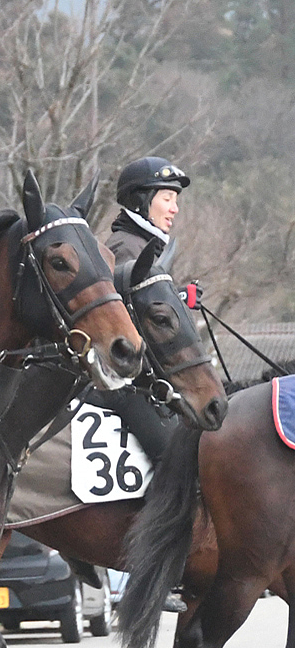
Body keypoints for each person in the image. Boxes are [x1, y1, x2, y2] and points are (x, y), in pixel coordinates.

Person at [102, 156, 192, 613]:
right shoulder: (125, 249)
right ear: (142, 200)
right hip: (118, 384)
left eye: (175, 199)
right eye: (167, 198)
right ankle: (154, 570)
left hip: (143, 381)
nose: (174, 208)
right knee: (172, 455)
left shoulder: (148, 246)